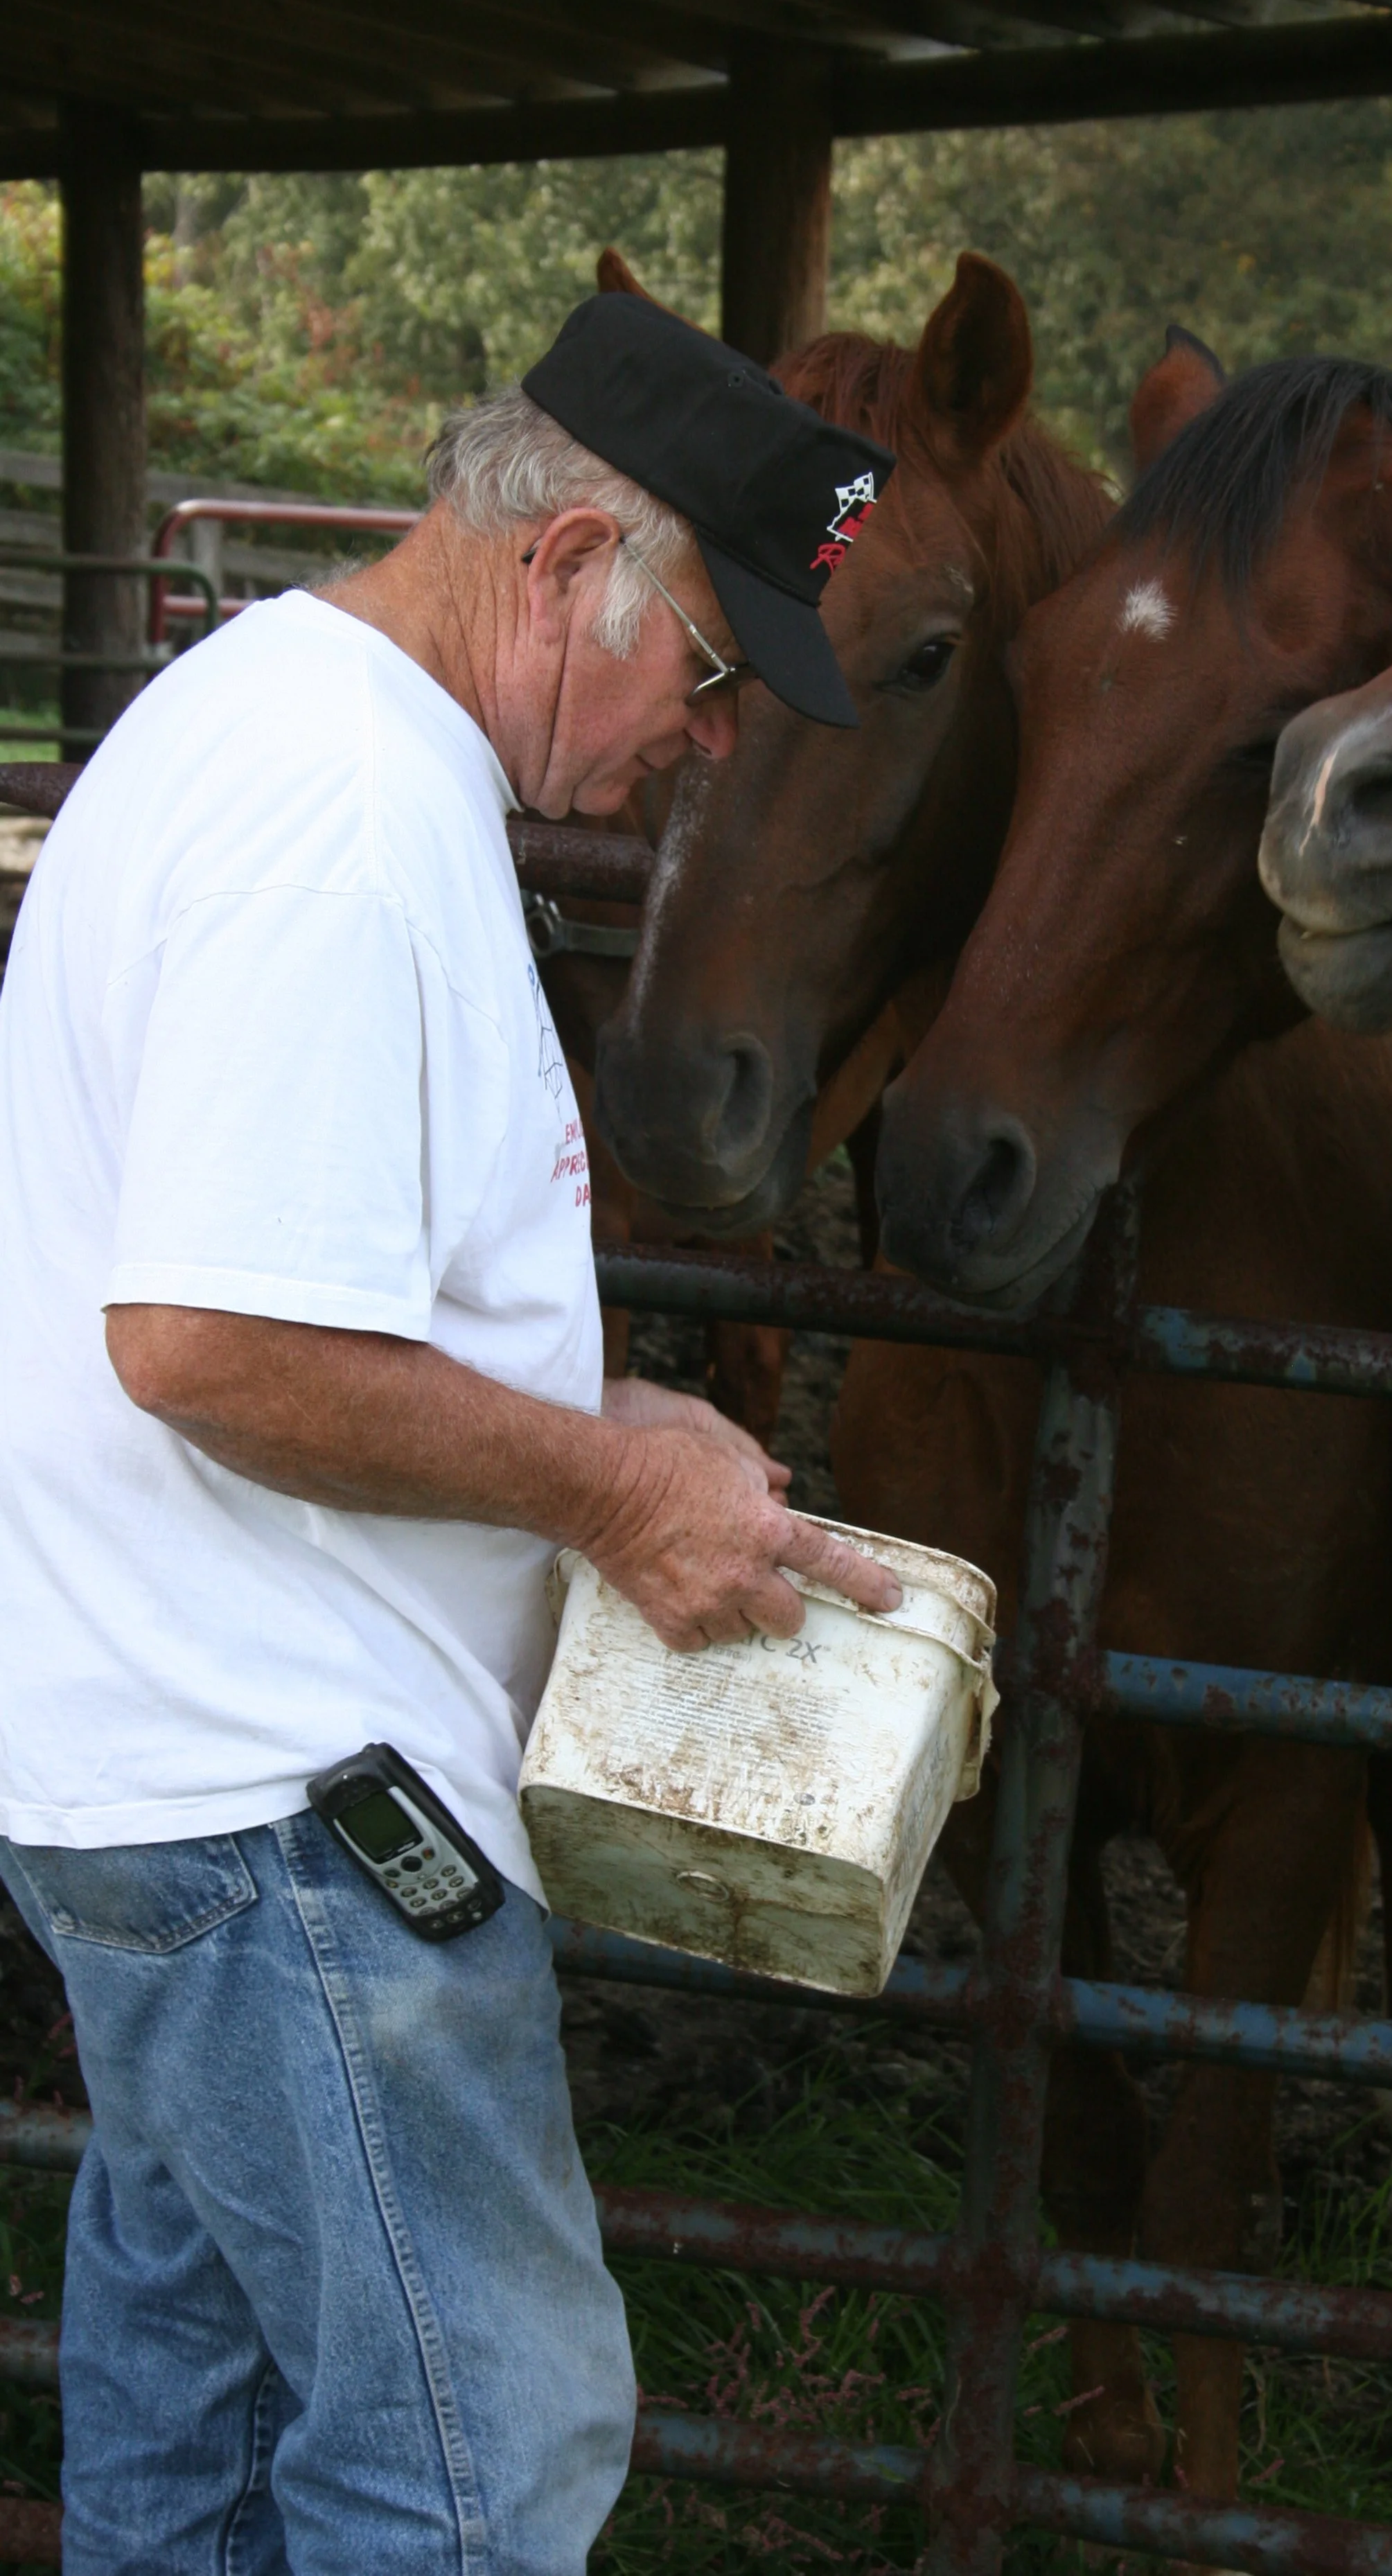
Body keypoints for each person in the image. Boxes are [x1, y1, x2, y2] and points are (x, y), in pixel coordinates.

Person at [0, 292, 900, 2575]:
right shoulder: (346, 809)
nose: (701, 747)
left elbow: (289, 1282)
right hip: (294, 1810)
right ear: (564, 553)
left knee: (189, 2422)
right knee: (482, 2452)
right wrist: (612, 1485)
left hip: (172, 1769)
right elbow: (206, 1338)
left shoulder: (271, 728)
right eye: (705, 673)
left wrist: (588, 1397)